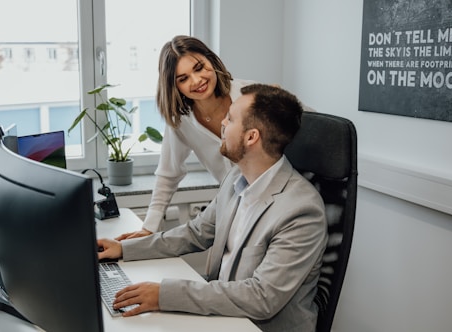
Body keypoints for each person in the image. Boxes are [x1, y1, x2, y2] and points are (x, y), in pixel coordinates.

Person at [98, 84, 328, 332]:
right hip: (224, 315)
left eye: (230, 119)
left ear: (251, 137)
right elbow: (196, 233)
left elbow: (262, 298)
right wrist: (124, 248)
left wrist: (164, 294)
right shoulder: (235, 179)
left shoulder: (302, 211)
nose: (221, 124)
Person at [116, 35, 255, 240]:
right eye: (183, 78)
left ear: (212, 61)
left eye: (199, 68)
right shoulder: (181, 122)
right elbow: (168, 174)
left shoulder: (251, 96)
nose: (196, 81)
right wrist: (149, 228)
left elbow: (313, 126)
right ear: (175, 86)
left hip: (277, 204)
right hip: (235, 209)